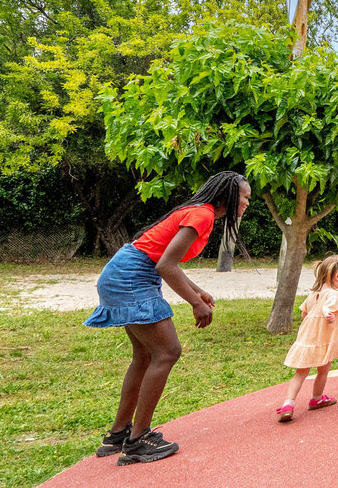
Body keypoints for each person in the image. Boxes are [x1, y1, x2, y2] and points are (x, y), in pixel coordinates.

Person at [84, 170, 250, 465]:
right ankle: (137, 441)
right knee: (168, 352)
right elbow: (165, 265)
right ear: (229, 197)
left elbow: (164, 260)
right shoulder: (202, 215)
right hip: (132, 276)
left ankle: (118, 435)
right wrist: (195, 304)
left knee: (146, 356)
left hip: (128, 271)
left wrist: (197, 293)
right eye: (245, 198)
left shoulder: (201, 213)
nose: (247, 204)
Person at [276, 254, 338, 422]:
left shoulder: (314, 294)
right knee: (322, 371)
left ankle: (288, 404)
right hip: (323, 341)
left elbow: (304, 313)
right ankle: (316, 398)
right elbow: (327, 310)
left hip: (308, 340)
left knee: (300, 373)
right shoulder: (333, 295)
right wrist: (327, 315)